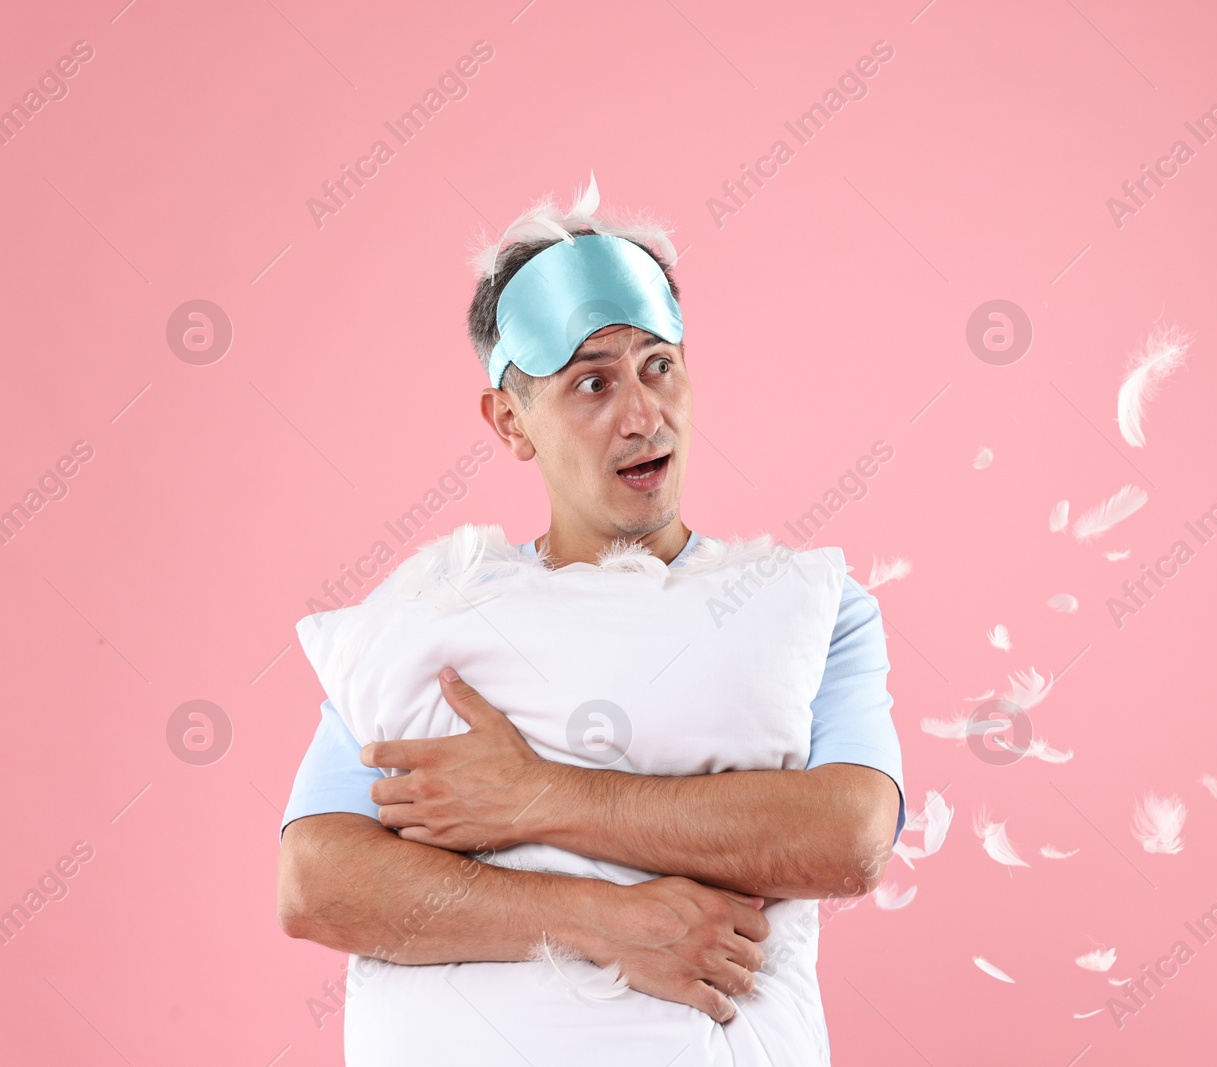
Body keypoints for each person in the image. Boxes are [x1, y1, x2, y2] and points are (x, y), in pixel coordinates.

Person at [276, 173, 907, 1066]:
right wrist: (603, 921)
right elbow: (318, 884)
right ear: (510, 420)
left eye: (659, 367)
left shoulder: (809, 608)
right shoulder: (431, 621)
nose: (642, 415)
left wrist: (538, 796)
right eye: (590, 384)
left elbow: (848, 837)